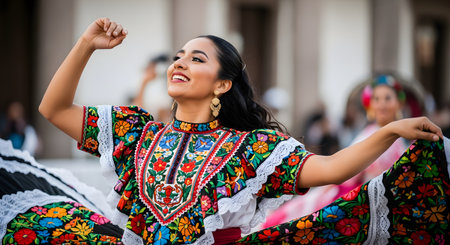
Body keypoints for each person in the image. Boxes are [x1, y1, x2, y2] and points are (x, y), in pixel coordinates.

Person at [3, 18, 448, 244]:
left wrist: (389, 130)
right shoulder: (134, 132)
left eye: (197, 59)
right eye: (179, 56)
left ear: (222, 83)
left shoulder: (253, 148)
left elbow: (332, 168)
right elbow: (53, 108)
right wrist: (85, 45)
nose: (180, 62)